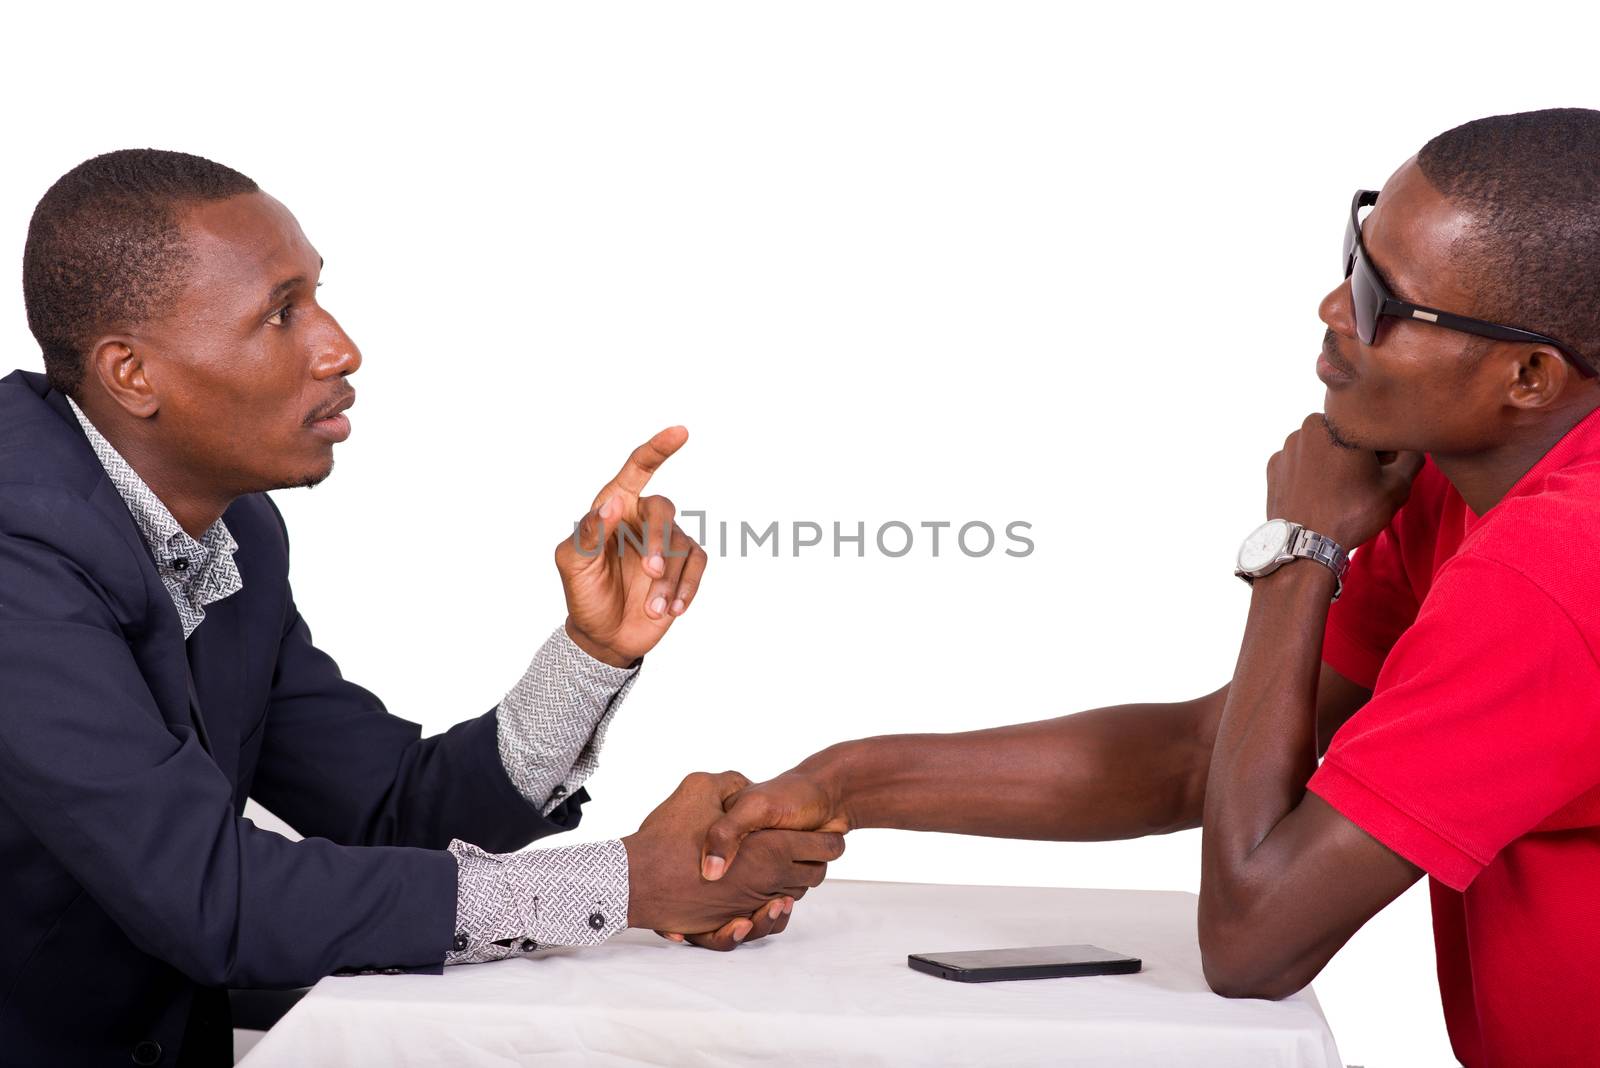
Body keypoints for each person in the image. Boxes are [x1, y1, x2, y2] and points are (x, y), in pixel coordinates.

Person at [691, 108, 1600, 1067]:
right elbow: (1206, 754)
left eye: (1382, 301)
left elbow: (1257, 938)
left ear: (1530, 375)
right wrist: (840, 782)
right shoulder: (1459, 482)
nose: (1334, 310)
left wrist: (1297, 554)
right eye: (1354, 253)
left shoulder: (1549, 572)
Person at [0, 149, 841, 1067]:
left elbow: (391, 812)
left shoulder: (236, 531)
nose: (339, 347)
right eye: (282, 313)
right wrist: (630, 884)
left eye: (317, 295)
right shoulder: (17, 543)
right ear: (132, 374)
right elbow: (213, 898)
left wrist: (592, 652)